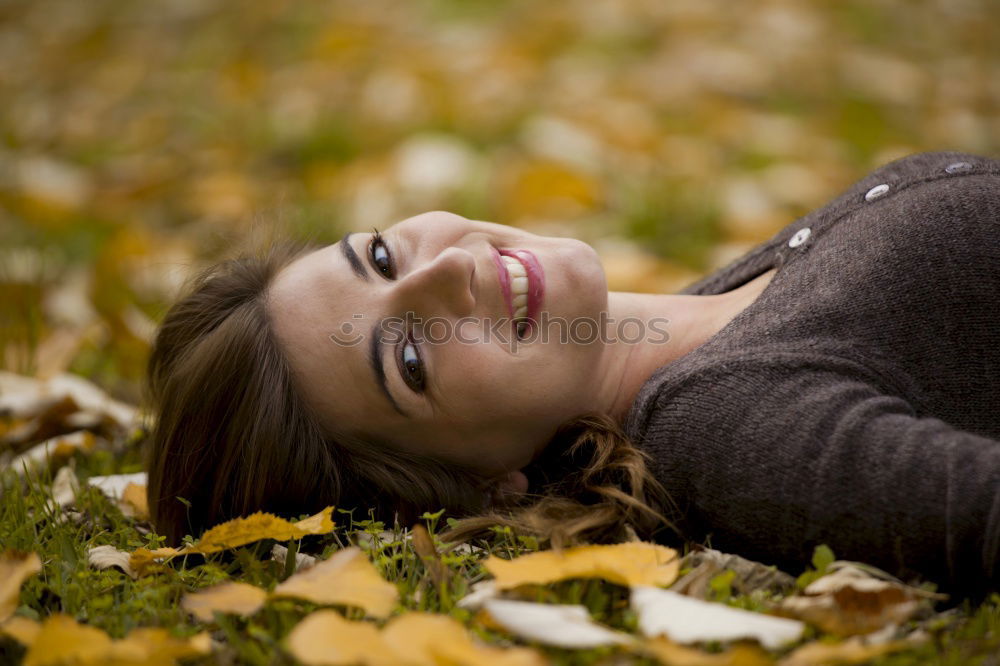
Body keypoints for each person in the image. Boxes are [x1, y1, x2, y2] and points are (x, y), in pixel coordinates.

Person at [146, 151, 1000, 600]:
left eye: (378, 255)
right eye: (407, 359)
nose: (443, 271)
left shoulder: (701, 313)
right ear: (478, 482)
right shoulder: (732, 430)